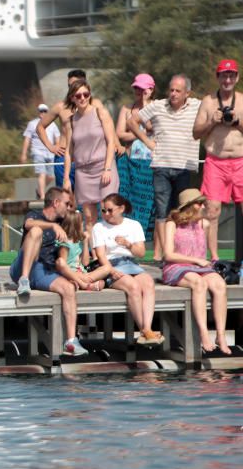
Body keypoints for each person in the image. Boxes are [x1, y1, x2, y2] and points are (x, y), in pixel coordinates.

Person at [8, 187, 88, 357]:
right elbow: (28, 225)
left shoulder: (63, 222)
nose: (68, 207)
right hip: (25, 265)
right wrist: (51, 225)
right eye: (66, 204)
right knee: (36, 231)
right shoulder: (35, 215)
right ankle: (24, 280)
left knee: (68, 289)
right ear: (56, 203)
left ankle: (71, 341)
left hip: (44, 270)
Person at [130, 74, 201, 263]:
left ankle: (181, 251)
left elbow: (212, 110)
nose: (173, 94)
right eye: (171, 89)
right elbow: (132, 121)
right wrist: (147, 142)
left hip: (184, 166)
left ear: (187, 93)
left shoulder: (197, 105)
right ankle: (164, 255)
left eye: (178, 90)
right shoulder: (159, 105)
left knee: (183, 210)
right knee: (162, 212)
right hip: (161, 165)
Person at [160, 189, 230, 355]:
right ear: (190, 206)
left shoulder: (203, 224)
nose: (203, 206)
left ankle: (221, 335)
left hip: (200, 267)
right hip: (177, 266)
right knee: (199, 283)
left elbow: (207, 249)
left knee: (219, 284)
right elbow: (168, 254)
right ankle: (203, 333)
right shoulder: (172, 224)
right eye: (200, 203)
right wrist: (196, 261)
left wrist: (211, 259)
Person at [91, 193, 163, 346]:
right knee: (133, 286)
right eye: (103, 211)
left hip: (131, 263)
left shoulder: (133, 225)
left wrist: (128, 244)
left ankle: (146, 329)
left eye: (109, 210)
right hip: (110, 264)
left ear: (121, 208)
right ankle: (146, 331)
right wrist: (110, 270)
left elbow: (141, 253)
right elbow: (100, 254)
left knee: (149, 283)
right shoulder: (99, 227)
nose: (106, 214)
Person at [193, 59, 243, 232]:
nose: (227, 80)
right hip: (215, 161)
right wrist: (211, 122)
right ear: (218, 77)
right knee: (212, 210)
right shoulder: (208, 101)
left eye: (231, 76)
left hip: (240, 161)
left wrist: (237, 122)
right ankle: (213, 258)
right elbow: (196, 133)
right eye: (224, 76)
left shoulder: (242, 100)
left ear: (236, 78)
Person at [62, 78, 119, 229]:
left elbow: (111, 142)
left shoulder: (101, 113)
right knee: (88, 217)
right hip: (83, 171)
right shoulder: (70, 121)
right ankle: (92, 251)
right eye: (78, 95)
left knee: (109, 211)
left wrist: (107, 168)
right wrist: (66, 177)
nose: (82, 98)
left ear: (90, 95)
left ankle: (110, 251)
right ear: (72, 98)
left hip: (103, 167)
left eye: (85, 94)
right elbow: (68, 151)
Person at [115, 74, 157, 257]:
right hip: (131, 163)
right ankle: (125, 245)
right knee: (128, 202)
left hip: (152, 163)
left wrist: (135, 128)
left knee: (153, 206)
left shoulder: (158, 108)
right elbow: (120, 134)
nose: (139, 92)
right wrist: (139, 132)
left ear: (150, 89)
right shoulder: (126, 109)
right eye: (136, 88)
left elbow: (158, 130)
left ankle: (155, 252)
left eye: (142, 89)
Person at [55, 210, 108, 292]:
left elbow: (85, 263)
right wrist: (76, 275)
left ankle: (84, 281)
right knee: (98, 280)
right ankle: (84, 282)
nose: (83, 225)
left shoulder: (79, 242)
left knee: (106, 268)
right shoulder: (64, 243)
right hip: (71, 273)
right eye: (81, 222)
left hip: (83, 273)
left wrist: (85, 242)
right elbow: (62, 266)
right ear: (75, 225)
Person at [20, 103, 59, 199]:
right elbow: (27, 139)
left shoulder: (52, 124)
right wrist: (24, 154)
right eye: (41, 111)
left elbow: (57, 138)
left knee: (52, 176)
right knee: (42, 174)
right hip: (37, 152)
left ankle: (39, 190)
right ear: (38, 113)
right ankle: (42, 196)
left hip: (50, 153)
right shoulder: (32, 124)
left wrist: (58, 149)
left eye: (45, 111)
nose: (43, 113)